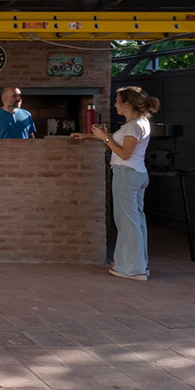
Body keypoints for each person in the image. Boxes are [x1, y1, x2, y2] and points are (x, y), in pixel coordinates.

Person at [71, 86, 161, 281]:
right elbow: (120, 144)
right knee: (135, 221)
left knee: (127, 222)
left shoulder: (134, 126)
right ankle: (135, 264)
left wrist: (105, 138)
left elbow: (124, 154)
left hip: (127, 175)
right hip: (136, 174)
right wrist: (89, 136)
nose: (115, 104)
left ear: (127, 104)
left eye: (118, 101)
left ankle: (132, 269)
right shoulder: (137, 123)